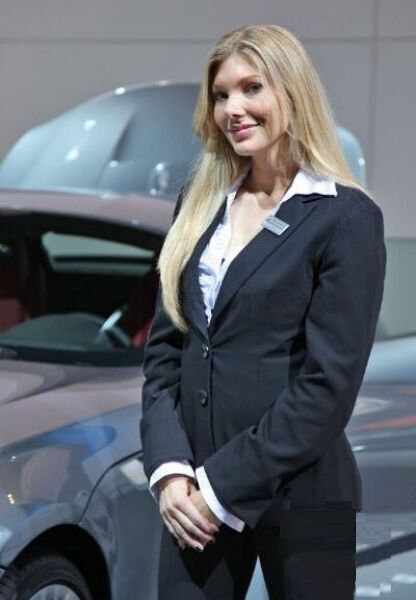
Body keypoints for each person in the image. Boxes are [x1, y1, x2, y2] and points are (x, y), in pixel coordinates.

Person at [140, 23, 386, 600]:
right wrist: (169, 470)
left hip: (304, 495)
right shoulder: (198, 203)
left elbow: (327, 387)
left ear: (292, 92)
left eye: (252, 88)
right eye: (221, 94)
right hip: (192, 496)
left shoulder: (345, 217)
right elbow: (165, 354)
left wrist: (217, 486)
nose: (233, 108)